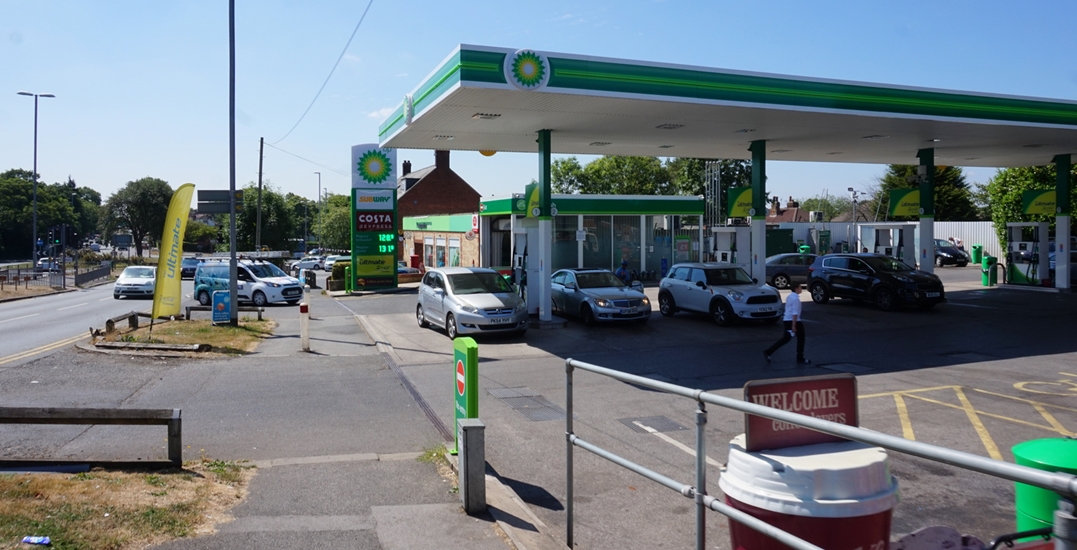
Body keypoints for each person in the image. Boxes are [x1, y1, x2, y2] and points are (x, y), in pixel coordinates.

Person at [763, 282, 810, 365]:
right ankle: (800, 357)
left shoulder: (789, 296)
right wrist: (794, 325)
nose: (801, 289)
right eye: (800, 287)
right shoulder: (796, 299)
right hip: (795, 321)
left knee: (786, 339)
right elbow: (795, 313)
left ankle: (769, 351)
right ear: (796, 288)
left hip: (786, 319)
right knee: (801, 339)